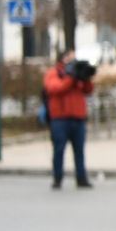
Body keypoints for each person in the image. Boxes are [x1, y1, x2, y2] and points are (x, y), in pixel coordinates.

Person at [43, 49, 94, 190]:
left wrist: (86, 77)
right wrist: (70, 77)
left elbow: (88, 90)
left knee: (79, 150)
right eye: (69, 58)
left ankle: (81, 178)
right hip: (60, 119)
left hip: (78, 118)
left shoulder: (77, 74)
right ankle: (57, 178)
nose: (72, 61)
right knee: (59, 149)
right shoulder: (54, 73)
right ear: (62, 58)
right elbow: (54, 88)